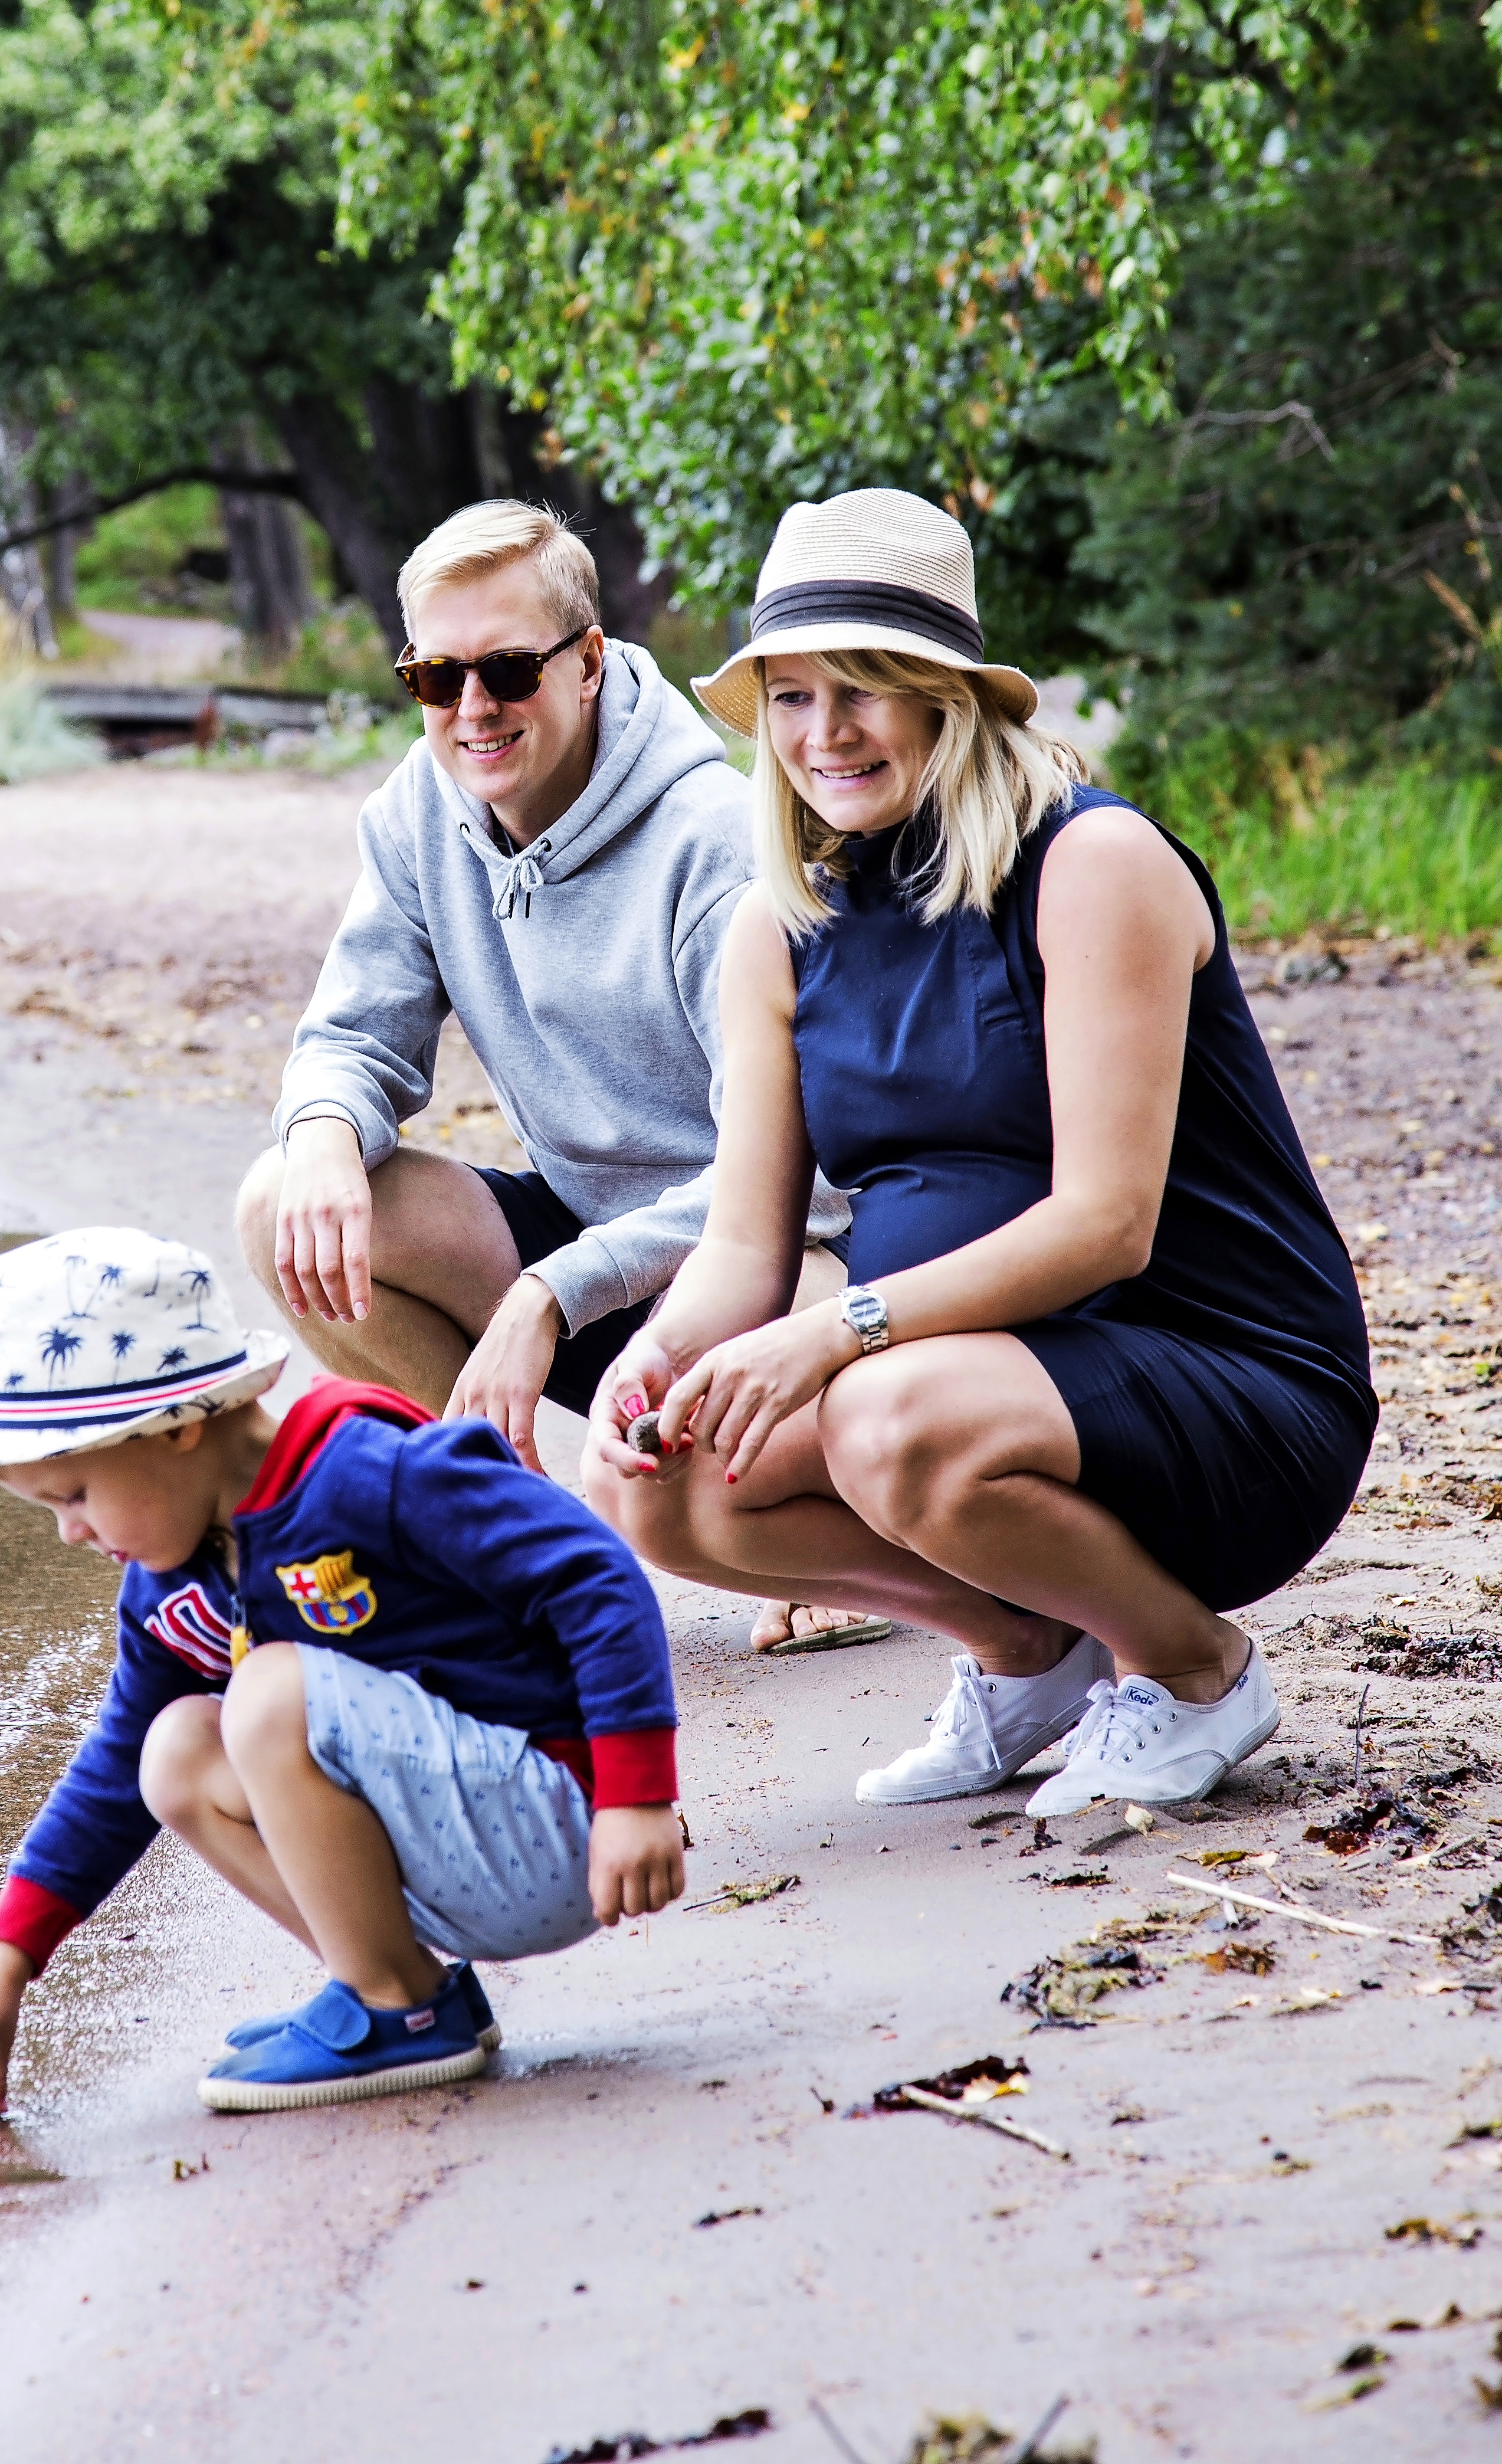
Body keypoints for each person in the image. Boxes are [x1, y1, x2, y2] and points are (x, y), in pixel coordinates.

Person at [582, 487, 1376, 1814]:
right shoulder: (774, 930)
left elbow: (1104, 1226)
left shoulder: (1092, 861)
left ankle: (1193, 1671)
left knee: (885, 1417)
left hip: (1229, 1383)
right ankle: (1026, 1652)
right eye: (787, 695)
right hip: (972, 1391)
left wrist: (840, 1333)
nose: (822, 733)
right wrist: (666, 1355)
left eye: (862, 688)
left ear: (946, 693)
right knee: (660, 1482)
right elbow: (741, 1245)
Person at [237, 501, 858, 1653]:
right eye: (435, 674)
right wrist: (322, 1130)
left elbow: (798, 1187)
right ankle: (530, 1540)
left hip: (771, 1257)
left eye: (508, 668)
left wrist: (552, 1293)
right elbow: (350, 1034)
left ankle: (838, 1550)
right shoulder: (421, 807)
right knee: (285, 1203)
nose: (472, 707)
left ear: (584, 661)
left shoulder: (712, 841)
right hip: (589, 1251)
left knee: (769, 1375)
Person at [0, 1227, 684, 2122]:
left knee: (270, 1690)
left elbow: (591, 1571)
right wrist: (2, 1958)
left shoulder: (363, 1472)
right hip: (457, 1844)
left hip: (562, 1828)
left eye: (74, 1494)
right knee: (169, 1749)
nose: (70, 1531)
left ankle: (400, 2010)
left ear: (179, 1428)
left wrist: (635, 1795)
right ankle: (396, 1983)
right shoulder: (169, 1582)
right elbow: (110, 1771)